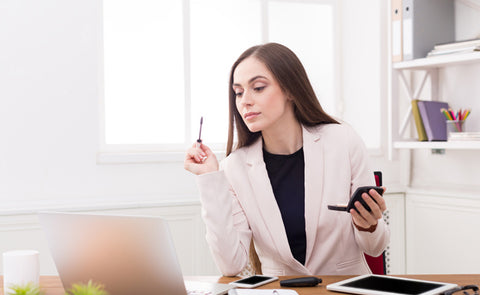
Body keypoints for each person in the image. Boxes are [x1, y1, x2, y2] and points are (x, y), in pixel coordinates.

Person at [184, 42, 390, 276]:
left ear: (290, 89)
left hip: (341, 289)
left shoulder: (342, 140)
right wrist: (211, 179)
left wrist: (368, 224)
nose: (244, 101)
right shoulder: (235, 167)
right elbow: (231, 265)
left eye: (258, 88)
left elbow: (375, 247)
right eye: (239, 92)